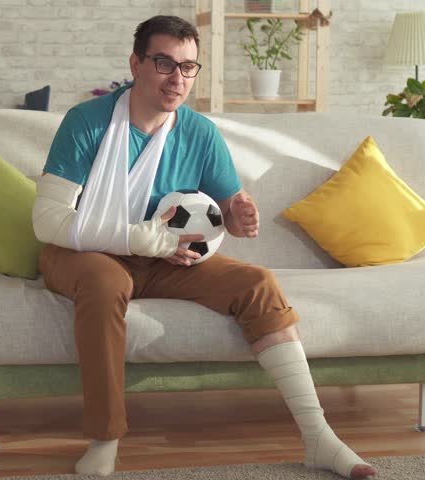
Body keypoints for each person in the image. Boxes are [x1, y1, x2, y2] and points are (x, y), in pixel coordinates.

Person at [31, 15, 377, 479]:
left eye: (189, 67)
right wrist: (136, 238)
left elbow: (227, 209)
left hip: (164, 258)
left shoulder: (199, 133)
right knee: (103, 279)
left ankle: (318, 436)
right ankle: (105, 437)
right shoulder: (86, 122)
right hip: (81, 254)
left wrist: (239, 216)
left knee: (257, 283)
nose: (177, 78)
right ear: (136, 63)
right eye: (164, 63)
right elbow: (47, 220)